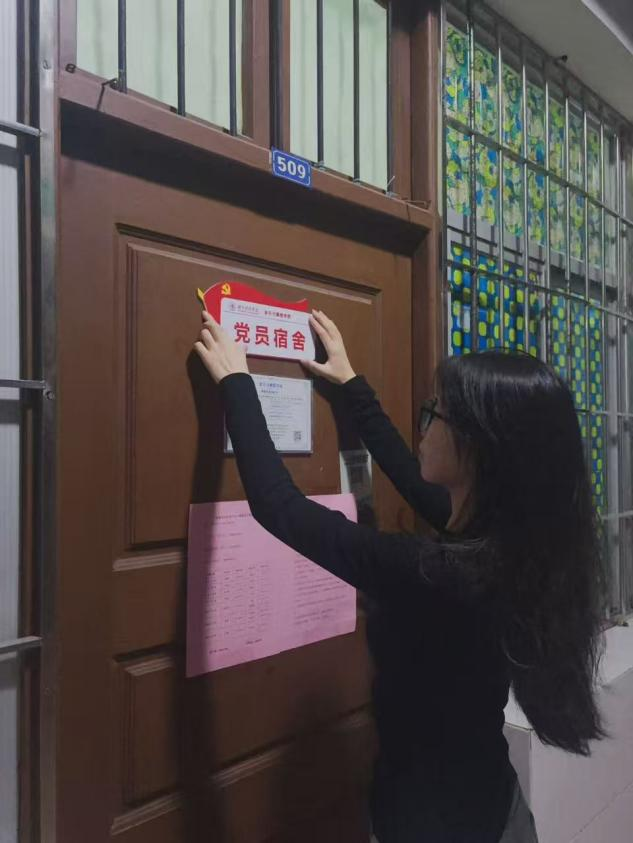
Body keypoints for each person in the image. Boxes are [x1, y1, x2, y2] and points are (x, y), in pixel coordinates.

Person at [193, 308, 605, 843]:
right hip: (495, 807)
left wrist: (236, 382)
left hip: (430, 826)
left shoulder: (438, 575)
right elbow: (413, 479)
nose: (422, 425)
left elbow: (281, 509)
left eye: (435, 414)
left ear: (478, 448)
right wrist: (351, 385)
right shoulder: (510, 543)